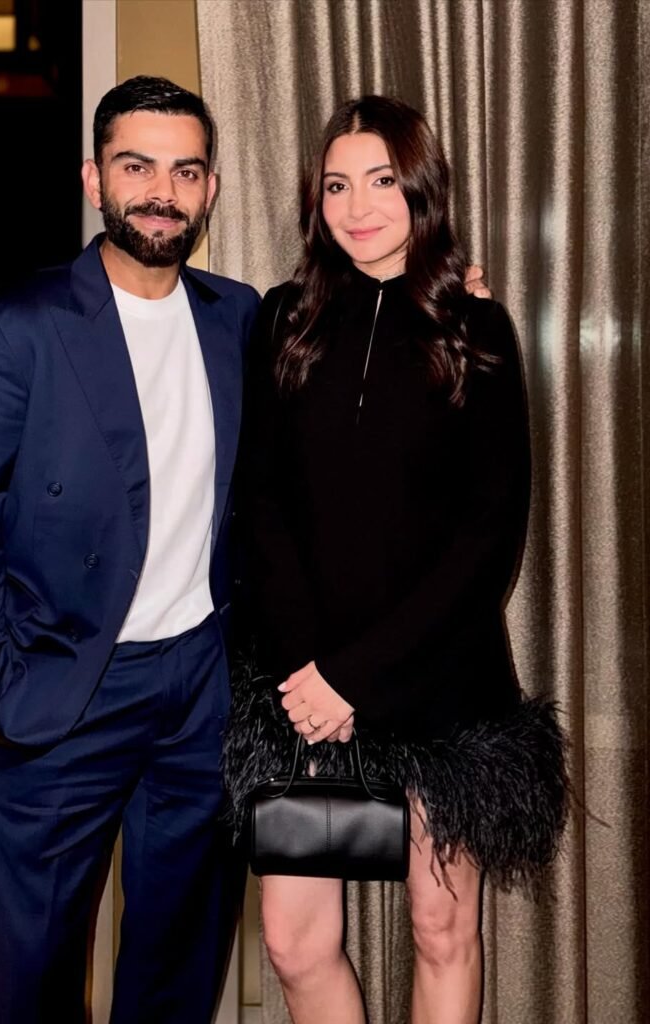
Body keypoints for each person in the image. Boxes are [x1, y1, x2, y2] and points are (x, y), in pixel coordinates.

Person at [225, 96, 567, 1024]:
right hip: (300, 688)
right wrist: (313, 675)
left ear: (421, 189)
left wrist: (358, 676)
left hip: (441, 687)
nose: (358, 206)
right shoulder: (286, 319)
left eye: (381, 180)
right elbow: (260, 503)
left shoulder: (477, 329)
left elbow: (490, 536)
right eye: (336, 185)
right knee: (294, 943)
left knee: (441, 928)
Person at [0, 76, 260, 1024]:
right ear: (94, 178)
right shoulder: (17, 323)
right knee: (32, 977)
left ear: (211, 188)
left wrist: (447, 301)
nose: (162, 191)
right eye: (137, 166)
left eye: (185, 171)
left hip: (200, 692)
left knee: (178, 970)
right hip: (60, 688)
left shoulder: (239, 316)